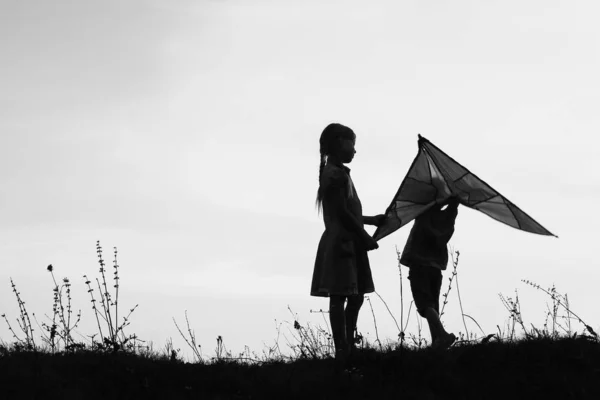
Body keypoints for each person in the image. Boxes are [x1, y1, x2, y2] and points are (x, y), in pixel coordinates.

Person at [311, 123, 385, 365]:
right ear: (338, 142)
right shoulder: (335, 175)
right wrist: (363, 235)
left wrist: (370, 220)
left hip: (349, 240)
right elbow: (341, 212)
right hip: (342, 242)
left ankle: (348, 343)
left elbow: (346, 212)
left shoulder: (339, 173)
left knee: (355, 296)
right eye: (352, 143)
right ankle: (341, 349)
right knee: (340, 295)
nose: (355, 150)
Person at [400, 196, 460, 349]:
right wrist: (453, 201)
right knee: (433, 305)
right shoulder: (447, 217)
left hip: (419, 265)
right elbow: (452, 208)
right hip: (435, 268)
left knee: (424, 304)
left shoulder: (423, 215)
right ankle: (437, 342)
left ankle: (442, 335)